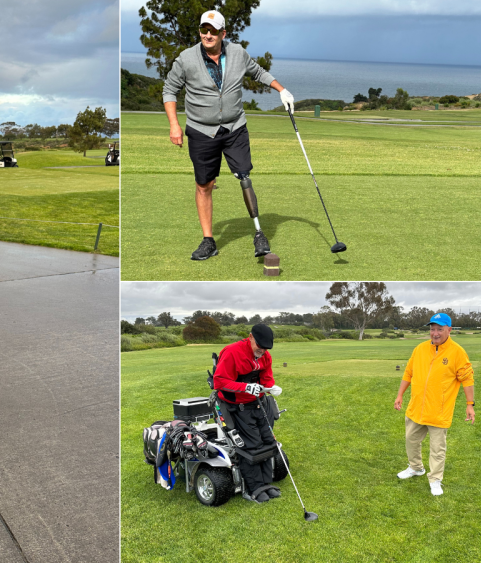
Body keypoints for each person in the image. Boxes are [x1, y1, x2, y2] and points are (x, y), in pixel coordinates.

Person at [162, 10, 296, 261]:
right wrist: (174, 125)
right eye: (204, 30)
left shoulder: (238, 53)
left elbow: (258, 72)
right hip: (201, 131)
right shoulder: (186, 58)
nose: (208, 35)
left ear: (224, 33)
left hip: (235, 127)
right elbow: (169, 89)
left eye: (213, 31)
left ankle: (258, 234)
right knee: (204, 185)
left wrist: (282, 90)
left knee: (244, 175)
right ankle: (208, 241)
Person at [394, 313, 475, 496]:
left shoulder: (457, 352)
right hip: (416, 408)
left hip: (439, 411)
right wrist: (400, 395)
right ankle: (416, 468)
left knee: (437, 449)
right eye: (432, 329)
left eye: (439, 329)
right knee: (411, 440)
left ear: (449, 330)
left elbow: (467, 379)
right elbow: (408, 373)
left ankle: (435, 479)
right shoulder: (420, 349)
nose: (435, 333)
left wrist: (470, 404)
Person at [212, 323, 283, 502]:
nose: (262, 351)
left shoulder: (265, 356)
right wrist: (245, 387)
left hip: (257, 403)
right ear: (250, 337)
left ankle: (266, 484)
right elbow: (219, 382)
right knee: (251, 446)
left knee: (267, 441)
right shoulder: (232, 352)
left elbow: (266, 377)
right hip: (236, 405)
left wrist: (270, 387)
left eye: (266, 349)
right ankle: (255, 488)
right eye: (260, 347)